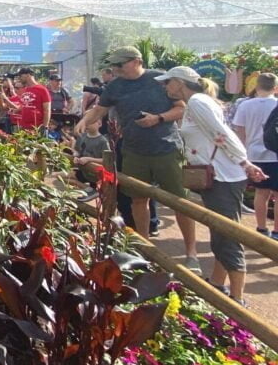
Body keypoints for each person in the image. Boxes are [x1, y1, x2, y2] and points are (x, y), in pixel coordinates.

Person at [75, 46, 199, 268]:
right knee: (138, 199)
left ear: (136, 61)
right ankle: (144, 247)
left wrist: (158, 118)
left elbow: (181, 108)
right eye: (113, 64)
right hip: (133, 151)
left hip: (167, 149)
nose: (115, 68)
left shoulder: (160, 79)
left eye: (119, 64)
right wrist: (85, 120)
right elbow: (100, 109)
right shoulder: (115, 85)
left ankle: (192, 254)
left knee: (180, 202)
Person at [159, 66, 266, 305]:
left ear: (179, 82)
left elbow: (222, 134)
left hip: (223, 176)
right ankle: (218, 283)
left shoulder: (197, 102)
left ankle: (237, 300)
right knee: (220, 232)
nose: (165, 87)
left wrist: (244, 162)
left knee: (226, 234)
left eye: (168, 82)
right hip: (219, 175)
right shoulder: (196, 102)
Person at [232, 72, 278, 238]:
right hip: (275, 155)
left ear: (257, 86)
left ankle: (261, 228)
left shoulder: (245, 105)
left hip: (253, 155)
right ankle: (277, 232)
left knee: (261, 193)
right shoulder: (276, 104)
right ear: (275, 88)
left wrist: (244, 152)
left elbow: (240, 131)